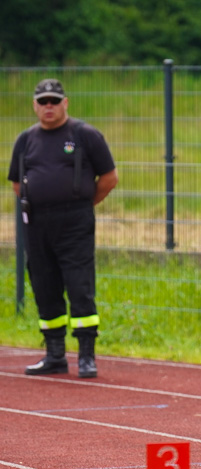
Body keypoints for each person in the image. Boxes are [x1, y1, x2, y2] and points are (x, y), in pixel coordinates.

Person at [7, 79, 118, 379]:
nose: (49, 107)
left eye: (54, 101)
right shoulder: (25, 140)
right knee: (44, 286)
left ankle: (86, 356)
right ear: (35, 105)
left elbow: (109, 178)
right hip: (37, 223)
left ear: (65, 103)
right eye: (43, 101)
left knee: (79, 285)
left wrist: (81, 204)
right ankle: (55, 355)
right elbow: (17, 183)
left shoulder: (84, 135)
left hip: (75, 222)